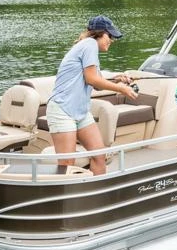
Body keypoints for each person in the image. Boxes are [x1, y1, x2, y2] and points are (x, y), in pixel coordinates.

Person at [48, 15, 138, 175]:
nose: (112, 40)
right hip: (63, 110)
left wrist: (116, 79)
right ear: (99, 33)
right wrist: (122, 89)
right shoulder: (89, 45)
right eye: (109, 36)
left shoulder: (89, 48)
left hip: (80, 112)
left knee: (99, 155)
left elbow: (96, 83)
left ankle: (97, 194)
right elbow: (92, 79)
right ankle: (64, 199)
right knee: (67, 163)